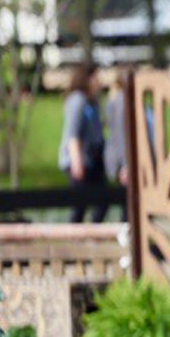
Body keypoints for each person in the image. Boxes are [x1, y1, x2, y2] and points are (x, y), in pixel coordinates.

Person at [59, 63, 109, 223]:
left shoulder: (92, 102)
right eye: (96, 77)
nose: (99, 81)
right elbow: (72, 134)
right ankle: (75, 236)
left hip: (93, 159)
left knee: (103, 199)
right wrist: (76, 161)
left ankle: (92, 232)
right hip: (79, 160)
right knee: (80, 204)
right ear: (87, 79)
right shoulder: (77, 101)